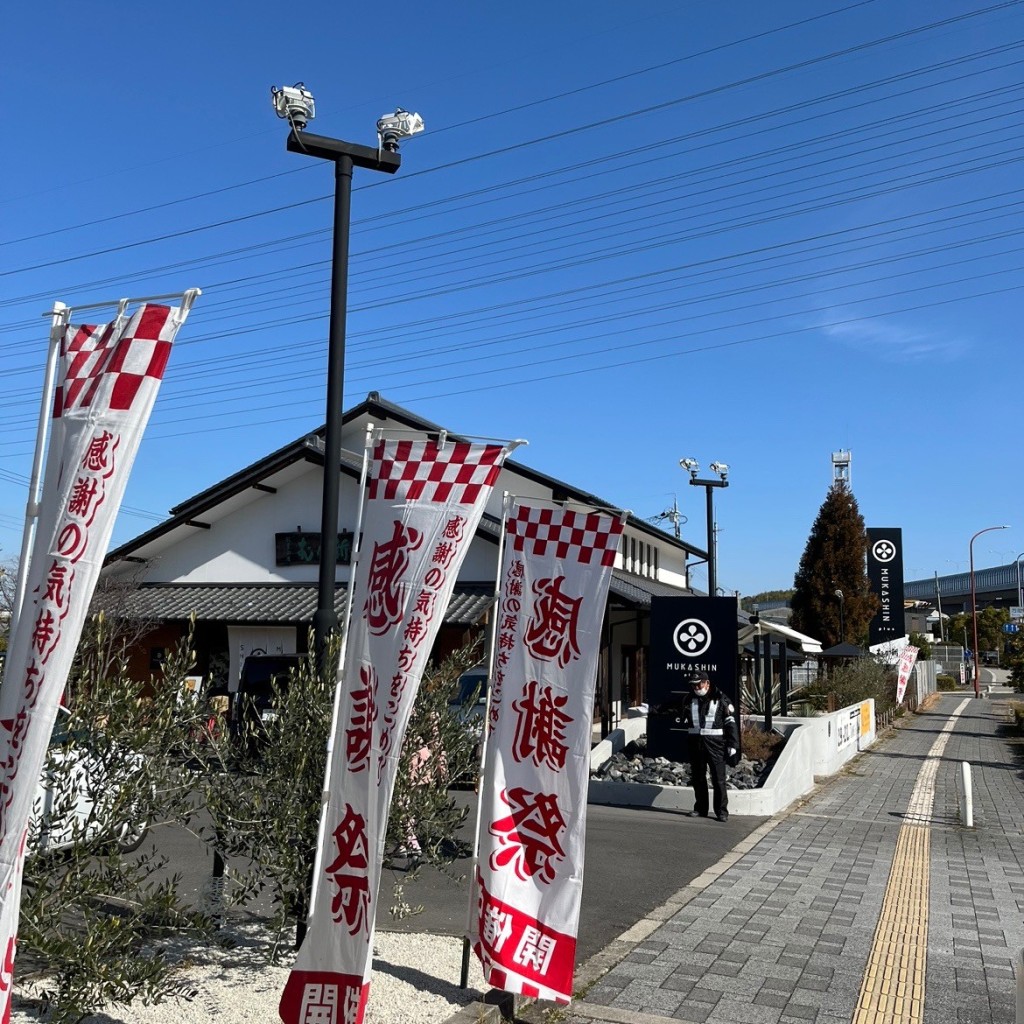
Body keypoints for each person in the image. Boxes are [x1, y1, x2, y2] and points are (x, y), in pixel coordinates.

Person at [678, 672, 739, 822]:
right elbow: (671, 708)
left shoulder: (721, 699)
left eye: (699, 684)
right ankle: (700, 808)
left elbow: (730, 723)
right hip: (695, 743)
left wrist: (733, 744)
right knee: (698, 778)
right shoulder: (689, 699)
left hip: (715, 744)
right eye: (693, 685)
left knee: (718, 779)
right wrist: (651, 710)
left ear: (707, 683)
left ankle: (721, 811)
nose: (696, 687)